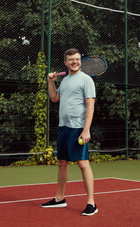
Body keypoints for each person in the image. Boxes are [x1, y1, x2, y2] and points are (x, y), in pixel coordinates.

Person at [41, 48, 98, 216]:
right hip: (63, 127)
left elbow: (90, 105)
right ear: (65, 62)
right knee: (62, 163)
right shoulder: (65, 80)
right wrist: (51, 82)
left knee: (82, 163)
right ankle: (59, 199)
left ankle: (91, 203)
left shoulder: (86, 80)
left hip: (78, 128)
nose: (75, 62)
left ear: (81, 61)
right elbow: (54, 98)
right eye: (71, 59)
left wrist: (86, 130)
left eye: (77, 59)